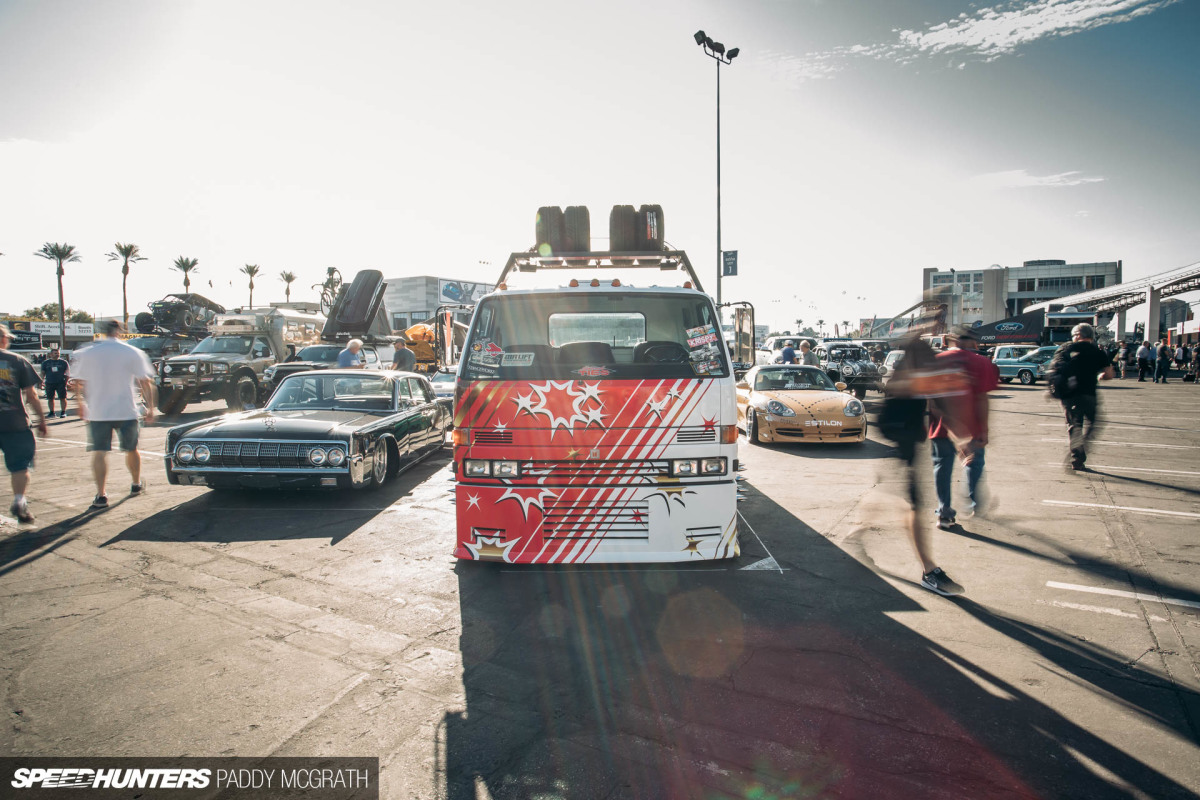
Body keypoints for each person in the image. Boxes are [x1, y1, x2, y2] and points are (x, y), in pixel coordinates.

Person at [880, 333, 964, 597]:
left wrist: (962, 437)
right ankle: (929, 571)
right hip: (900, 433)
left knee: (905, 500)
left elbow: (935, 403)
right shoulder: (909, 368)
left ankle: (857, 531)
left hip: (909, 436)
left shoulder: (920, 368)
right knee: (914, 504)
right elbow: (907, 391)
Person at [72, 320, 157, 509]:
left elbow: (78, 381)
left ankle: (101, 495)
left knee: (99, 452)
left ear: (101, 332)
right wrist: (150, 407)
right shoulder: (132, 352)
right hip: (126, 410)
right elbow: (145, 381)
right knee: (132, 449)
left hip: (98, 411)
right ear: (119, 331)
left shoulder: (87, 352)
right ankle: (136, 484)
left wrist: (80, 404)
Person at [928, 326, 999, 527]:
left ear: (949, 339)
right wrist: (983, 430)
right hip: (973, 428)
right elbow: (982, 399)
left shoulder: (935, 362)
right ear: (971, 341)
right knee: (974, 464)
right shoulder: (982, 363)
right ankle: (974, 504)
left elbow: (932, 402)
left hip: (942, 427)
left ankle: (944, 513)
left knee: (942, 467)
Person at [0, 325, 49, 524]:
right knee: (20, 466)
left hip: (14, 423)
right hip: (15, 423)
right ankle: (19, 500)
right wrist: (42, 420)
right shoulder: (17, 361)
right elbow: (32, 395)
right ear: (3, 339)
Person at [1051, 323, 1115, 471]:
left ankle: (1077, 457)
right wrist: (1100, 376)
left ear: (1078, 335)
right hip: (1089, 395)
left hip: (1069, 396)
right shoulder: (1098, 352)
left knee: (1074, 427)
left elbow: (1055, 368)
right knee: (1094, 423)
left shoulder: (1066, 348)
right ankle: (1083, 445)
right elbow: (1109, 374)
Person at [40, 346, 70, 418]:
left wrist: (66, 382)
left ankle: (63, 412)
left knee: (62, 398)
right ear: (50, 354)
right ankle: (52, 412)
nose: (57, 354)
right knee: (50, 398)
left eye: (58, 353)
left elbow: (67, 373)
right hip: (49, 382)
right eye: (55, 353)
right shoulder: (45, 363)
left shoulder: (63, 362)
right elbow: (42, 373)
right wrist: (41, 381)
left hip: (60, 382)